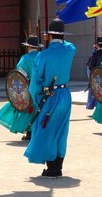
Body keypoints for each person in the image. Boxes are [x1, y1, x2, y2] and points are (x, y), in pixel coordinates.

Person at [25, 19, 76, 177]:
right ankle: (58, 165)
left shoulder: (43, 55)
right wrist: (55, 39)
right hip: (65, 94)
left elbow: (35, 82)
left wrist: (36, 98)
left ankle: (52, 167)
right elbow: (68, 45)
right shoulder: (70, 50)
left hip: (49, 96)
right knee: (61, 130)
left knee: (46, 129)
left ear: (48, 36)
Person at [0, 35, 41, 141]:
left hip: (29, 89)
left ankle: (29, 132)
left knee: (28, 110)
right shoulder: (42, 56)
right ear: (37, 47)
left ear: (28, 47)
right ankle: (38, 132)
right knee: (40, 109)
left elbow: (20, 76)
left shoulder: (24, 59)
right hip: (42, 89)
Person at [84, 36, 102, 111]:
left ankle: (93, 105)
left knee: (95, 92)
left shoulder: (95, 54)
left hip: (97, 76)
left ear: (97, 44)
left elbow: (90, 66)